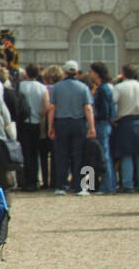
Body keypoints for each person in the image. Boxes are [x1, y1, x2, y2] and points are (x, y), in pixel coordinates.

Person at [46, 61, 95, 195]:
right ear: (77, 72)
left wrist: (50, 126)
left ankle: (61, 186)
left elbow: (52, 108)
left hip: (61, 122)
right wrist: (91, 126)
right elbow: (88, 108)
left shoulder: (57, 87)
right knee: (78, 155)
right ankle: (79, 186)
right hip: (78, 123)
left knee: (61, 155)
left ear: (65, 72)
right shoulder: (83, 87)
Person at [17, 64, 50, 191]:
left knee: (26, 153)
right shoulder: (42, 87)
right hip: (36, 122)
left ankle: (27, 180)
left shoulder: (21, 85)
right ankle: (35, 180)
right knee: (34, 152)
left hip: (24, 122)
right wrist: (40, 114)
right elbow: (47, 106)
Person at [87, 62, 116, 194]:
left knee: (103, 156)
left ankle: (107, 186)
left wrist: (93, 116)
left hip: (102, 124)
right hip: (104, 124)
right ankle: (108, 185)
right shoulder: (103, 88)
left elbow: (104, 111)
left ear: (96, 73)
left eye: (92, 71)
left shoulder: (103, 89)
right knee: (104, 155)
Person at [114, 64, 139, 193]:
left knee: (126, 154)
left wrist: (113, 119)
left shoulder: (119, 87)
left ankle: (128, 184)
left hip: (125, 121)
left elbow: (113, 103)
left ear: (123, 73)